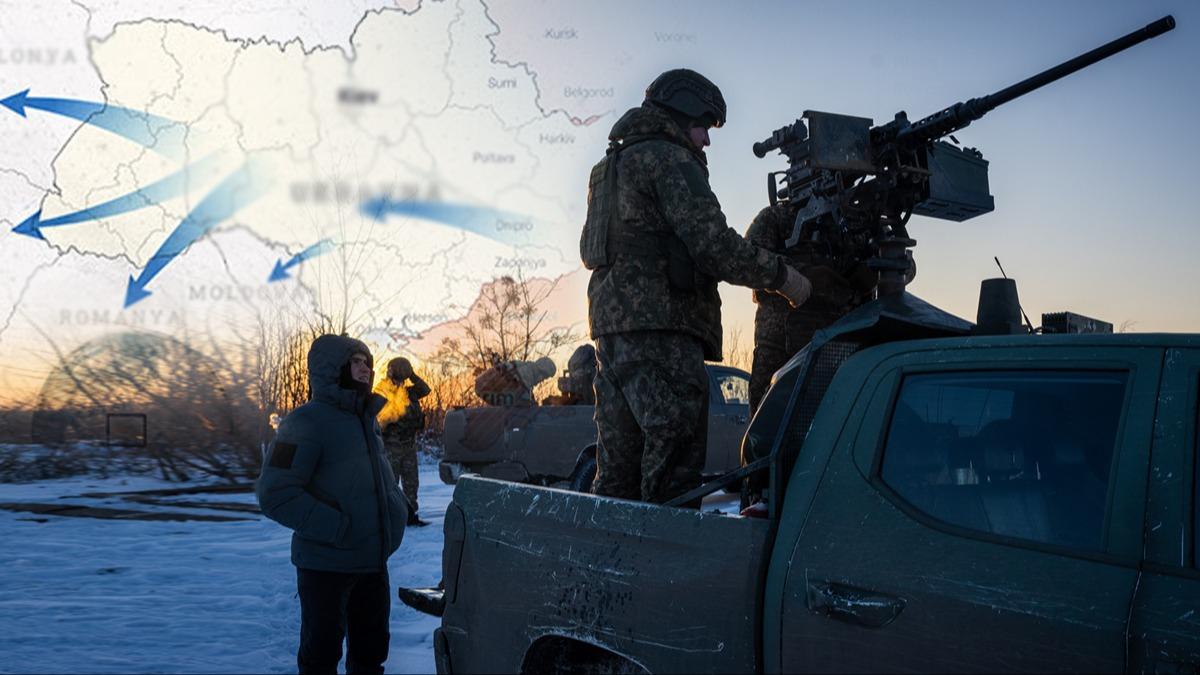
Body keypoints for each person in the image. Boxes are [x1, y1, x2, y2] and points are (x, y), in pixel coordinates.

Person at [579, 68, 811, 505]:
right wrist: (783, 277)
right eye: (704, 125)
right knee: (674, 471)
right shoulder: (669, 159)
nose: (706, 139)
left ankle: (611, 566)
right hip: (664, 331)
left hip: (612, 337)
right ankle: (667, 569)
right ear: (683, 111)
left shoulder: (607, 169)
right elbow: (713, 245)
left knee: (617, 475)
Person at [256, 334, 408, 675]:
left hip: (372, 563)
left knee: (371, 656)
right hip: (326, 567)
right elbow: (274, 494)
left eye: (367, 361)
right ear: (332, 369)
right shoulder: (304, 422)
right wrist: (337, 528)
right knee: (321, 657)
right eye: (355, 361)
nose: (365, 368)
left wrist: (395, 512)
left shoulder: (367, 420)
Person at [745, 200, 916, 412]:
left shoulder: (859, 225)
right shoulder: (778, 218)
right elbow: (747, 260)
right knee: (772, 432)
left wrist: (877, 272)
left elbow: (905, 264)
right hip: (783, 355)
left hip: (845, 354)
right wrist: (802, 275)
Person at [376, 356, 431, 527]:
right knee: (390, 483)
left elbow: (425, 389)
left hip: (408, 444)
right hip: (391, 445)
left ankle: (410, 515)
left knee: (411, 482)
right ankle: (389, 518)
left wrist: (412, 375)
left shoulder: (409, 392)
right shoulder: (383, 390)